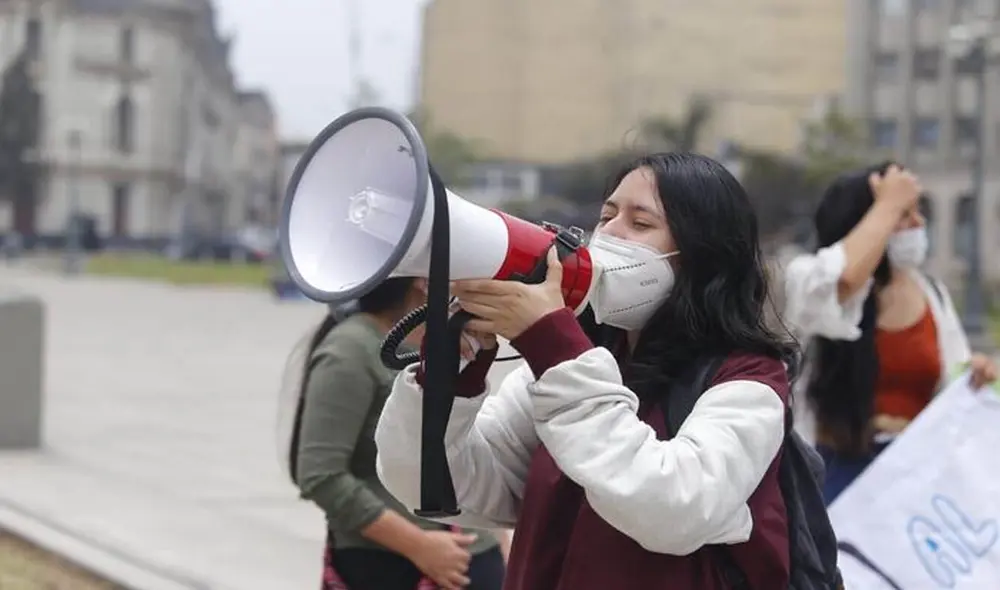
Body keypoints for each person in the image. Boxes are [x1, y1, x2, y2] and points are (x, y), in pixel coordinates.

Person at [375, 152, 799, 589]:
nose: (610, 233)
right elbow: (446, 486)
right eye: (607, 215)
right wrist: (450, 378)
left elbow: (674, 509)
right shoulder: (574, 363)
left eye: (641, 223)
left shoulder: (749, 381)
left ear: (700, 256)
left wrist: (556, 348)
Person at [782, 163, 998, 505]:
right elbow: (843, 279)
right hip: (835, 478)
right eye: (903, 215)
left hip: (912, 480)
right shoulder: (807, 279)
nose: (918, 224)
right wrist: (887, 204)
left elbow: (952, 380)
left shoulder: (931, 293)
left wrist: (976, 374)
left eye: (916, 212)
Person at [286, 277, 507, 590]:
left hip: (471, 557)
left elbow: (470, 454)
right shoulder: (351, 349)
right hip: (389, 567)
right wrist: (419, 546)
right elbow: (321, 474)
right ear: (422, 282)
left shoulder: (444, 341)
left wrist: (501, 542)